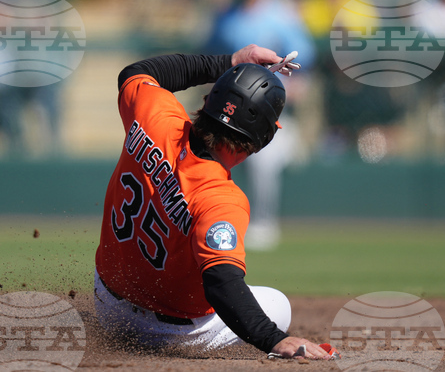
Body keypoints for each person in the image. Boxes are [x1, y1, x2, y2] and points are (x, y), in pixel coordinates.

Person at [93, 44, 334, 360]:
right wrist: (273, 339)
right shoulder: (222, 199)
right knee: (278, 305)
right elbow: (221, 281)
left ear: (207, 100)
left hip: (106, 305)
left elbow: (135, 72)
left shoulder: (157, 116)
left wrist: (228, 61)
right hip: (171, 333)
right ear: (260, 141)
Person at [205, 0, 315, 250]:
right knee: (212, 161)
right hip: (229, 104)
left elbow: (304, 57)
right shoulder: (225, 15)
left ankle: (264, 223)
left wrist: (294, 85)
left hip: (269, 107)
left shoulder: (281, 14)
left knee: (263, 162)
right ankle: (211, 220)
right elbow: (209, 57)